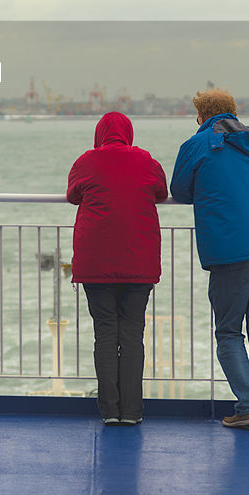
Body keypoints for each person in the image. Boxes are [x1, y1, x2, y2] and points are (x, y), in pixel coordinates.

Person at [170, 89, 249, 430]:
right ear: (234, 111)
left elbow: (179, 190)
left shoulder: (196, 146)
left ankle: (248, 408)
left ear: (200, 116)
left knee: (228, 331)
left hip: (230, 252)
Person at [66, 111, 168, 426]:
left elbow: (73, 196)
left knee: (106, 333)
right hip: (138, 263)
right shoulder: (146, 161)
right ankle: (132, 411)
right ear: (129, 133)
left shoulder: (86, 161)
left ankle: (110, 410)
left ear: (100, 134)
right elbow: (161, 193)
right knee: (133, 334)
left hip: (96, 263)